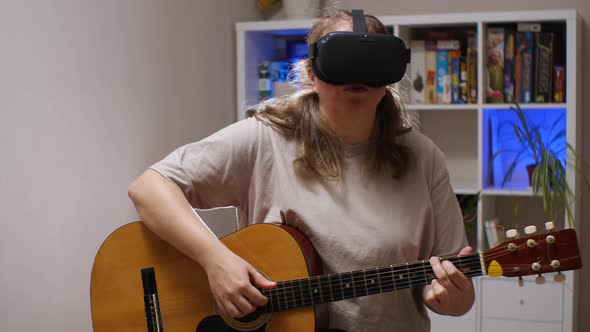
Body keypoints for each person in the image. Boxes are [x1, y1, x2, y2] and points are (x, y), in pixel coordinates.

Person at [128, 8, 475, 332]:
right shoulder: (265, 139)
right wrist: (215, 260)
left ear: (389, 74)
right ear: (311, 72)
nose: (357, 78)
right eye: (342, 61)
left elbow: (456, 294)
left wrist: (454, 299)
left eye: (370, 63)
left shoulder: (423, 157)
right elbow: (149, 188)